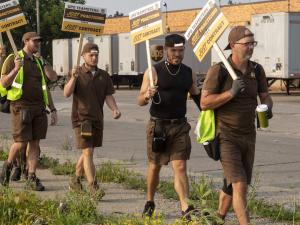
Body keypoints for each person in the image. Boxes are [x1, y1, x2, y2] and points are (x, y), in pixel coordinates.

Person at [201, 26, 273, 225]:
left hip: (249, 135)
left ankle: (217, 220)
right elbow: (204, 102)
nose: (251, 47)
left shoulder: (257, 70)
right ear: (233, 45)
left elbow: (265, 95)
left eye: (253, 43)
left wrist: (267, 107)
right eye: (247, 44)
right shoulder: (219, 70)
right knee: (239, 185)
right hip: (226, 135)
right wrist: (231, 93)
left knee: (232, 184)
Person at [137, 34, 201, 219]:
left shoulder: (189, 72)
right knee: (155, 166)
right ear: (165, 50)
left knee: (180, 166)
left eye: (181, 51)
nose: (177, 54)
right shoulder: (153, 71)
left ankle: (185, 209)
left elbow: (198, 97)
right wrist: (147, 95)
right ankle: (150, 201)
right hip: (158, 127)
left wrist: (211, 110)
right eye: (173, 51)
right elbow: (140, 100)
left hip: (180, 126)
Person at [0, 32, 58, 191]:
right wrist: (15, 70)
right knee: (20, 143)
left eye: (40, 41)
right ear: (26, 41)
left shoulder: (38, 62)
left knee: (35, 143)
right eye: (35, 41)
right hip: (20, 107)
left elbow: (47, 86)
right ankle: (8, 166)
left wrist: (52, 109)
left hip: (39, 108)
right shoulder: (13, 59)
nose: (38, 43)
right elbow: (4, 83)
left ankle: (31, 176)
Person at [64, 43, 121, 198]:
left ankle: (75, 182)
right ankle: (94, 188)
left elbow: (108, 95)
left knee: (87, 152)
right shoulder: (76, 73)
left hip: (97, 119)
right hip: (82, 119)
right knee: (88, 151)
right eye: (91, 55)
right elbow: (66, 93)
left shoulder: (104, 75)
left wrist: (114, 109)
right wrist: (73, 78)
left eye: (96, 55)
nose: (94, 58)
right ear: (83, 56)